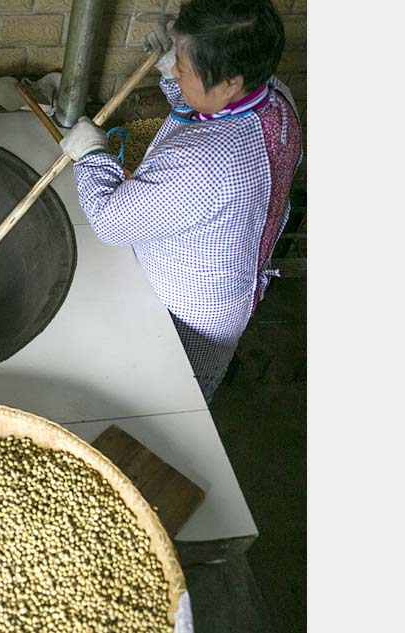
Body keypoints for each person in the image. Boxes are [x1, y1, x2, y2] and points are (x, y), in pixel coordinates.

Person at [59, 0, 302, 403]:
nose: (175, 72)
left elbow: (109, 220)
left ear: (230, 82)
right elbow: (203, 106)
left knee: (172, 398)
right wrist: (173, 64)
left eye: (184, 69)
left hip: (189, 312)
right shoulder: (276, 98)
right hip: (230, 280)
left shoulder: (205, 162)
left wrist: (91, 154)